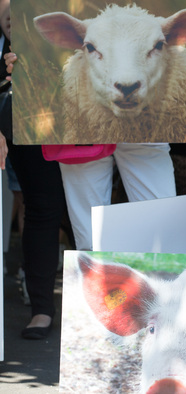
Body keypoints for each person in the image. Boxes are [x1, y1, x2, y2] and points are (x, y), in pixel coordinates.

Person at [2, 0, 67, 339]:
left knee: (84, 211)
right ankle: (41, 309)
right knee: (42, 209)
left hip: (82, 118)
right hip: (26, 119)